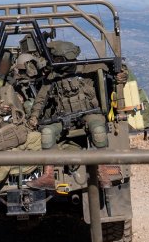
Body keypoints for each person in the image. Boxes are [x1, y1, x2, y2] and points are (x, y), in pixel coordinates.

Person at [27, 40, 111, 189]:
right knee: (46, 132)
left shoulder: (88, 68)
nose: (53, 62)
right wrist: (34, 116)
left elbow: (112, 70)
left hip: (89, 114)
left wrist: (121, 73)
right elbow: (40, 99)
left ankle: (103, 171)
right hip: (64, 117)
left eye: (57, 59)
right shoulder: (53, 76)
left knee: (98, 130)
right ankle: (48, 175)